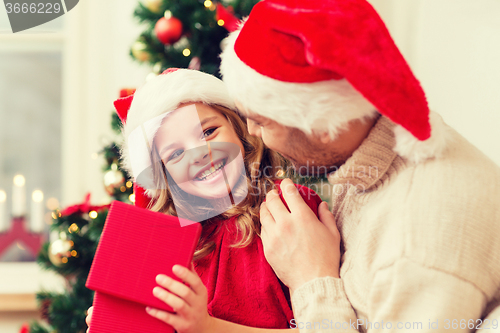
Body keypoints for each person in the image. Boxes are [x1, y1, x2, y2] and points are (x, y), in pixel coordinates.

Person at [219, 0, 500, 332]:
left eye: (262, 121)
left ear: (322, 125)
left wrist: (311, 279)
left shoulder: (416, 248)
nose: (252, 133)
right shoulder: (369, 150)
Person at [86, 68, 330, 333]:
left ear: (239, 129)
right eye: (176, 153)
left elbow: (328, 325)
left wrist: (207, 327)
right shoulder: (167, 246)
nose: (199, 154)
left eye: (208, 132)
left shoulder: (287, 209)